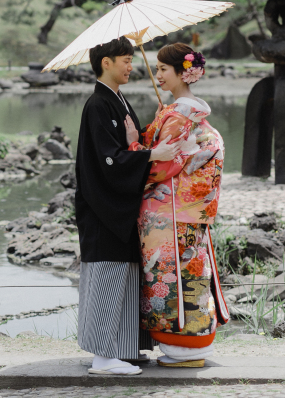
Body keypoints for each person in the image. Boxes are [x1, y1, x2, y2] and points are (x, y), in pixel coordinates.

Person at [75, 36, 181, 376]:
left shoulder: (116, 100)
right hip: (103, 206)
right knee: (108, 274)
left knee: (125, 275)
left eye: (132, 60)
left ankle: (122, 350)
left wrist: (154, 130)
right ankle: (102, 357)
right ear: (105, 62)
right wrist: (151, 154)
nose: (131, 66)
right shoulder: (98, 105)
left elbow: (128, 145)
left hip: (118, 205)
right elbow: (110, 160)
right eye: (125, 60)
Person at [125, 43, 230, 368]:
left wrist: (133, 144)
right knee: (192, 274)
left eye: (163, 69)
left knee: (169, 279)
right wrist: (159, 122)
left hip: (168, 217)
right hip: (188, 214)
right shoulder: (187, 112)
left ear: (184, 73)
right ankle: (195, 342)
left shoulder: (178, 115)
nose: (158, 75)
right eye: (156, 69)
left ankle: (182, 346)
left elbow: (160, 166)